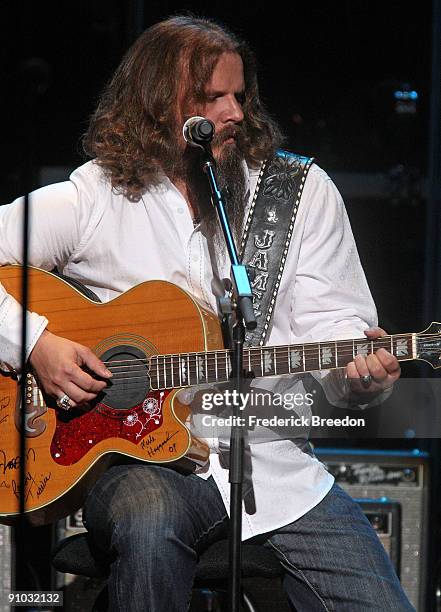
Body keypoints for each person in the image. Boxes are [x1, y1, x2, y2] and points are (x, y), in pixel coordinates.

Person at [0, 15, 413, 612]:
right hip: (134, 462)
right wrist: (36, 343)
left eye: (239, 95)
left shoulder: (300, 193)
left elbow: (334, 328)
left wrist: (357, 377)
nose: (235, 112)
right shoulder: (93, 197)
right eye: (212, 97)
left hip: (274, 467)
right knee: (150, 519)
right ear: (155, 104)